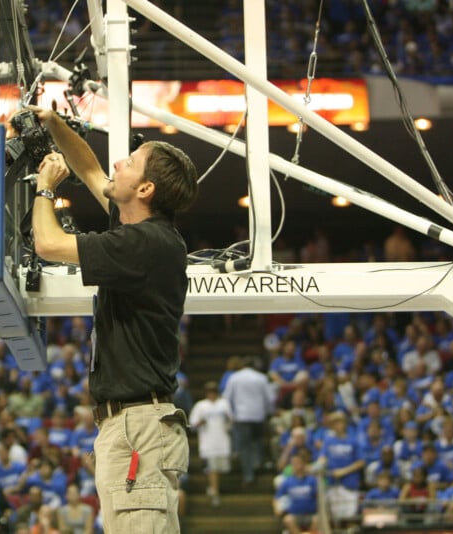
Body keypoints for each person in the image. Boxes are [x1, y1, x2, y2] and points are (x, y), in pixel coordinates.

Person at [26, 104, 198, 533]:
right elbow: (91, 170)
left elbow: (47, 243)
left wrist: (45, 188)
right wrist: (53, 124)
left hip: (138, 427)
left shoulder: (145, 244)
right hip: (132, 425)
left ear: (145, 190)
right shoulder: (142, 232)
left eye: (132, 163)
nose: (119, 162)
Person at [223, 356, 275, 485]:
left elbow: (227, 397)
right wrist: (268, 412)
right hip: (258, 415)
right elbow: (270, 398)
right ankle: (257, 463)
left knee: (245, 446)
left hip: (242, 416)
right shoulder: (261, 378)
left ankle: (248, 475)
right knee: (257, 441)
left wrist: (232, 414)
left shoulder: (234, 377)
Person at [188, 381, 232, 507]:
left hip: (223, 441)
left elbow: (231, 422)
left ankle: (213, 488)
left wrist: (228, 419)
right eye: (209, 392)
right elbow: (192, 425)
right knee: (212, 468)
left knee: (222, 469)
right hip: (208, 442)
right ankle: (215, 493)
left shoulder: (224, 404)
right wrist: (200, 423)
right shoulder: (200, 406)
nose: (212, 394)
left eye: (214, 392)